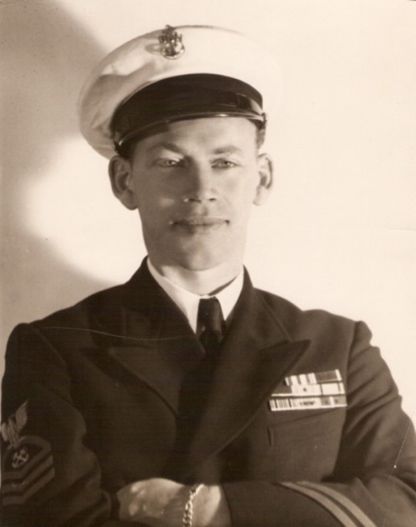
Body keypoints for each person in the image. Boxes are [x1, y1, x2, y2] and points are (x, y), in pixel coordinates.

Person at [1, 24, 415, 527]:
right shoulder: (55, 350)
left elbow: (404, 499)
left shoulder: (339, 347)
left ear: (261, 178)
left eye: (224, 162)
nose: (201, 189)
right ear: (124, 182)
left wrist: (210, 508)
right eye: (171, 162)